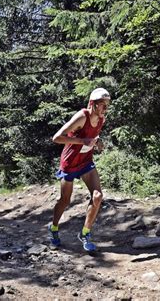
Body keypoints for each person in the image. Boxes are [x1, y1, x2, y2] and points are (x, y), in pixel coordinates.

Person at [49, 87, 110, 252]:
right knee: (65, 201)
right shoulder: (82, 116)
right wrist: (83, 141)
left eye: (107, 105)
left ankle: (85, 233)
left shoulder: (101, 119)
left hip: (86, 162)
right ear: (93, 104)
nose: (106, 109)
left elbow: (92, 138)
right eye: (103, 105)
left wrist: (97, 143)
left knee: (97, 196)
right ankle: (53, 228)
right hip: (69, 163)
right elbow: (57, 138)